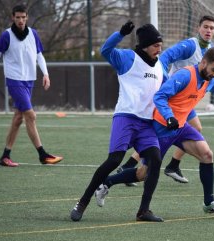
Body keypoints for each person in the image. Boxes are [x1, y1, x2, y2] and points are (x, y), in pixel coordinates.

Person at [100, 47, 214, 216]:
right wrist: (169, 117)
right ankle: (107, 182)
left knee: (207, 155)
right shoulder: (184, 75)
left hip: (181, 127)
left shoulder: (209, 79)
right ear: (203, 62)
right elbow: (160, 96)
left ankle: (209, 203)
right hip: (162, 127)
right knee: (142, 174)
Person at [118, 15, 214, 185]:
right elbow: (165, 57)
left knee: (189, 130)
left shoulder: (210, 49)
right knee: (161, 135)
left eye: (212, 28)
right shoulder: (190, 46)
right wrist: (165, 78)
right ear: (198, 28)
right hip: (173, 96)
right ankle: (141, 167)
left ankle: (166, 165)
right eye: (205, 27)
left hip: (186, 98)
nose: (208, 30)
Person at [70, 21, 168, 222]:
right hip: (126, 117)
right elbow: (105, 50)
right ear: (145, 46)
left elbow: (166, 90)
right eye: (156, 45)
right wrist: (120, 34)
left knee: (156, 159)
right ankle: (82, 202)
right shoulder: (127, 58)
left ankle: (143, 211)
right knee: (114, 160)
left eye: (160, 45)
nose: (160, 49)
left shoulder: (160, 65)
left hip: (146, 124)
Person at [0, 4, 63, 167]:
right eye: (17, 17)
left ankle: (5, 156)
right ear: (13, 18)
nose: (20, 20)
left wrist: (46, 74)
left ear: (27, 17)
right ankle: (43, 154)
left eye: (23, 17)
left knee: (18, 118)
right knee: (31, 116)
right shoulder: (6, 35)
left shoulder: (33, 34)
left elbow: (39, 55)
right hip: (14, 80)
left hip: (29, 80)